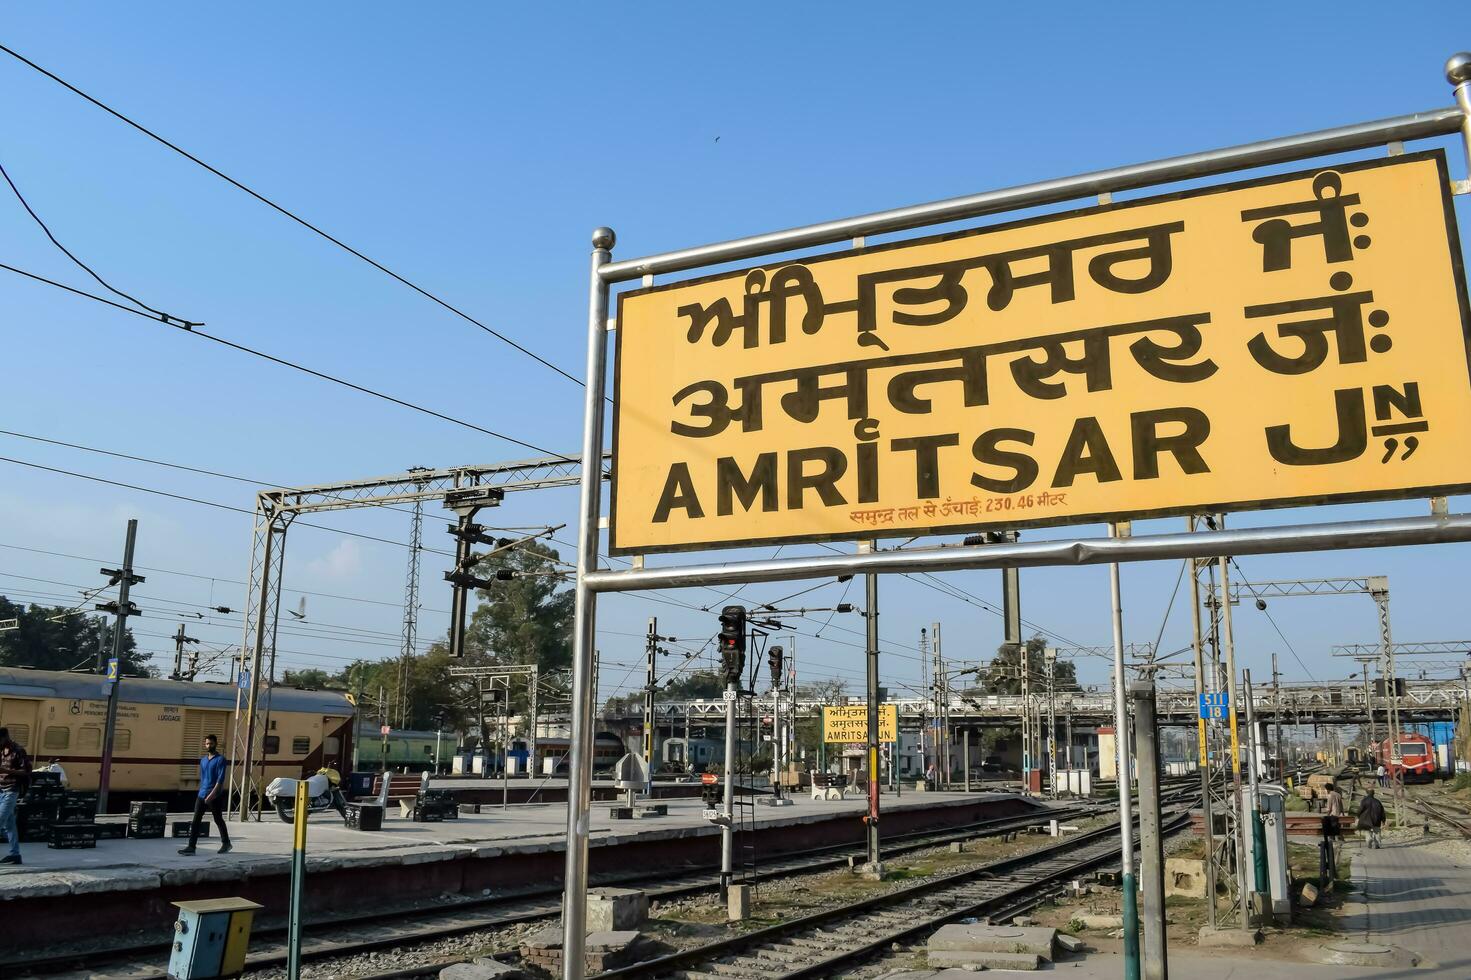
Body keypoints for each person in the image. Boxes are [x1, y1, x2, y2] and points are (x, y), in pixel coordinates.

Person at [179, 734, 231, 856]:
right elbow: (203, 778)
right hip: (202, 794)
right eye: (207, 743)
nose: (209, 746)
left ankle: (226, 843)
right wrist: (202, 793)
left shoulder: (220, 759)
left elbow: (220, 780)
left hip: (215, 795)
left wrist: (212, 795)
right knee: (196, 820)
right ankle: (191, 847)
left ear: (215, 744)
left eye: (211, 743)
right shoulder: (203, 760)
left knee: (218, 819)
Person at [0, 727, 31, 865]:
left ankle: (15, 854)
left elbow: (26, 772)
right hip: (1, 790)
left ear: (6, 737)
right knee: (9, 825)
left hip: (12, 790)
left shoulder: (18, 751)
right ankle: (15, 855)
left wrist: (6, 770)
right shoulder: (1, 751)